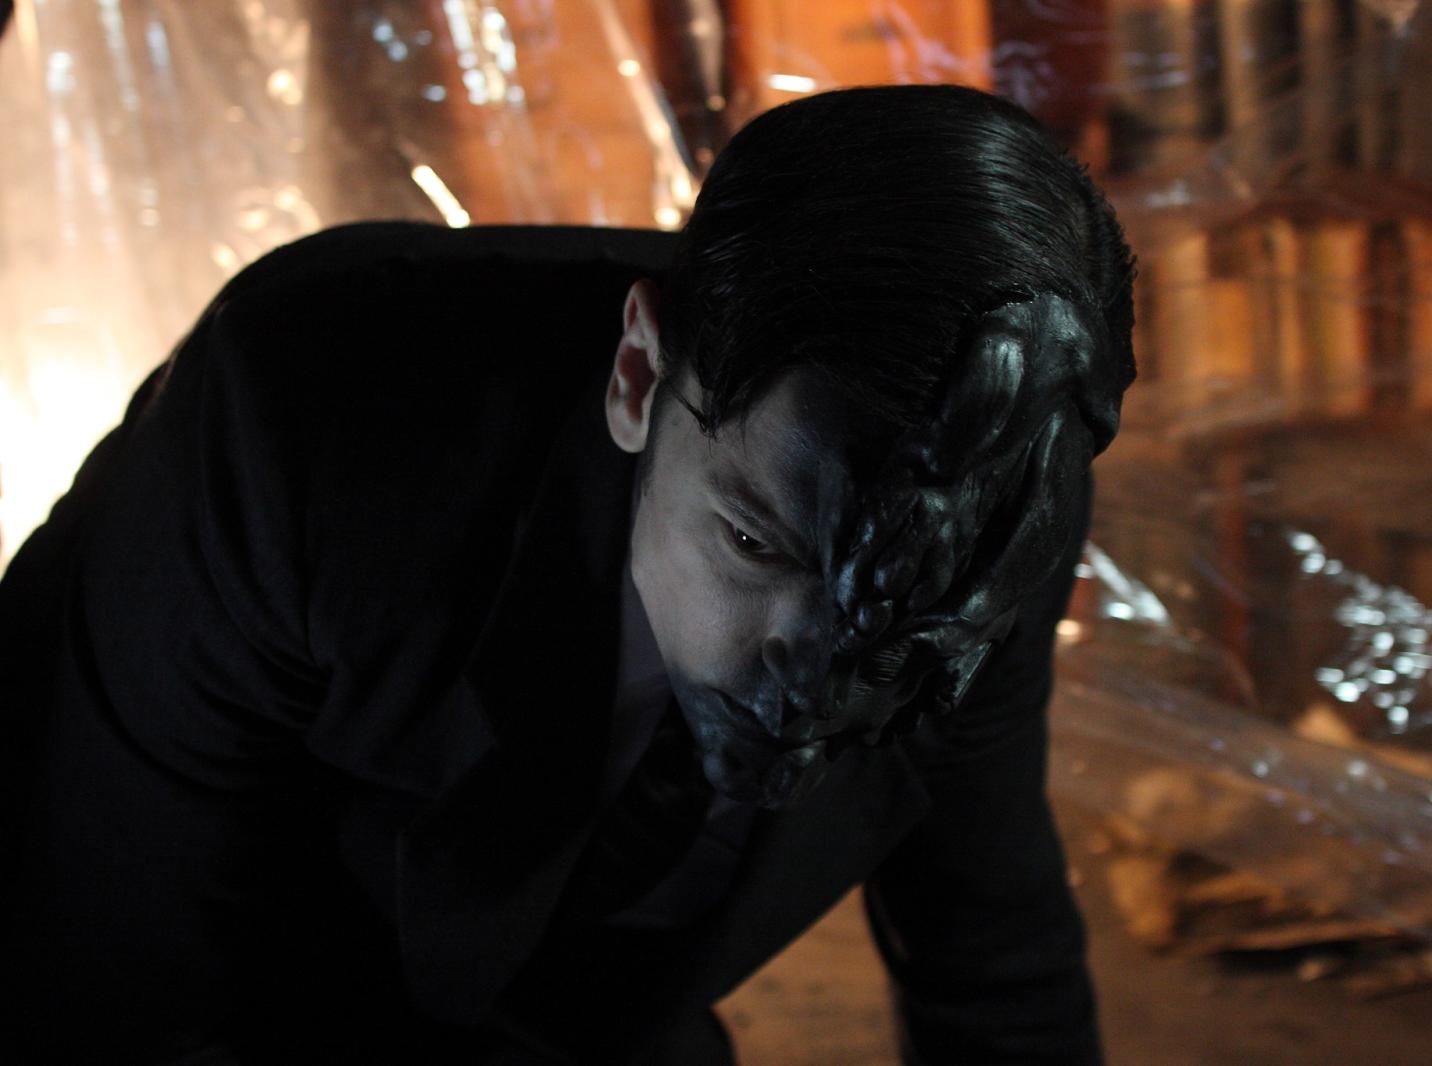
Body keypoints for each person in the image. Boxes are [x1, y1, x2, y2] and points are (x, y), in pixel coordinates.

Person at [0, 83, 1135, 1064]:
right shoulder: (305, 421)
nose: (813, 671)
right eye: (754, 543)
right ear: (638, 374)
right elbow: (117, 968)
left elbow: (987, 936)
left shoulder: (989, 525)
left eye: (897, 611)